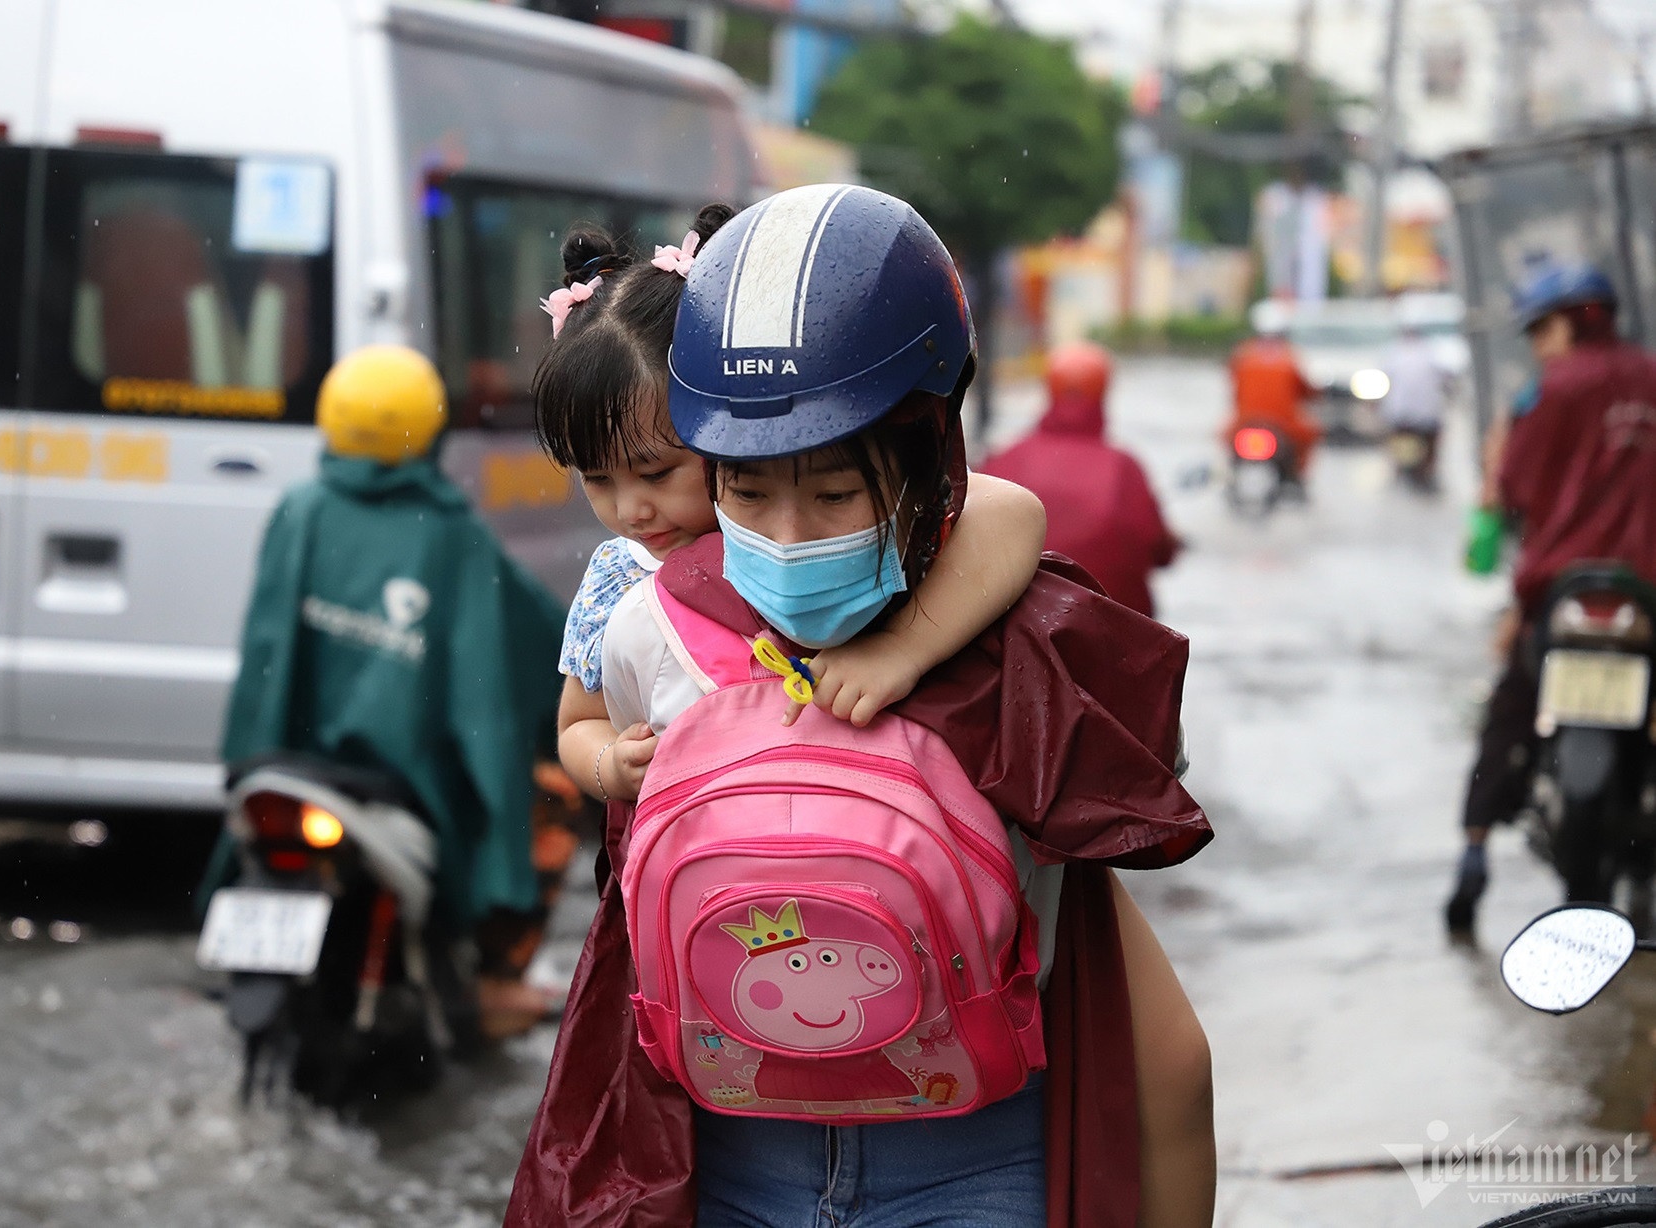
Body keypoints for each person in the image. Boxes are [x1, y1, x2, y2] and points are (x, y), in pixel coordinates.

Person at [508, 186, 1215, 1228]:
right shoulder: (641, 621)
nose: (789, 534)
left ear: (927, 458)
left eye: (835, 496)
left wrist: (908, 649)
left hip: (974, 1160)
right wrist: (605, 760)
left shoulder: (1020, 635)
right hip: (733, 1153)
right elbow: (590, 748)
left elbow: (1154, 1016)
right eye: (747, 492)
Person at [535, 207, 1052, 808]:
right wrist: (608, 766)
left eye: (655, 474)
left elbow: (1009, 513)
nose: (632, 510)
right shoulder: (617, 582)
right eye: (597, 481)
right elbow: (577, 721)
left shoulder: (837, 535)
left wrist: (901, 650)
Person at [213, 345, 569, 1036]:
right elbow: (517, 657)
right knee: (551, 790)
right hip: (405, 785)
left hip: (286, 765)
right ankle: (495, 976)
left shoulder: (300, 508)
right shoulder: (449, 531)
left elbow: (264, 653)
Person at [1446, 265, 1656, 932]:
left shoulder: (1543, 393)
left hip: (1558, 596)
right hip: (1645, 599)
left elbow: (1507, 495)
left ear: (1576, 320)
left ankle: (1471, 857)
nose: (1537, 344)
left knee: (1506, 710)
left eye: (1542, 328)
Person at [983, 341, 1181, 618]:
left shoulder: (1004, 459)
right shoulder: (1125, 470)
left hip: (1014, 629)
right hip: (1105, 631)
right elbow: (1157, 546)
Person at [1226, 322, 1322, 478]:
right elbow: (1305, 390)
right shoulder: (1290, 357)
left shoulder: (1243, 354)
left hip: (1246, 421)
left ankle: (1230, 474)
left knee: (1225, 437)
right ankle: (1297, 475)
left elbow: (1234, 387)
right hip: (1283, 423)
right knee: (1311, 434)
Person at [1380, 321, 1454, 489]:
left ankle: (1405, 467)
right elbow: (1446, 378)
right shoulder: (1430, 354)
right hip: (1425, 416)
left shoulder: (1394, 353)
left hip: (1399, 415)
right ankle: (1426, 467)